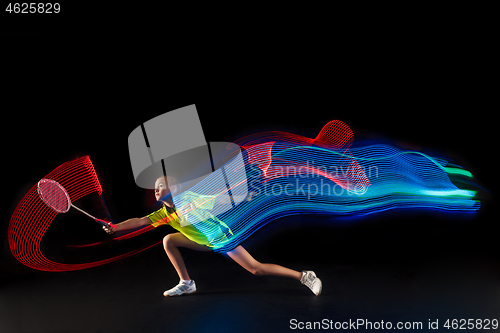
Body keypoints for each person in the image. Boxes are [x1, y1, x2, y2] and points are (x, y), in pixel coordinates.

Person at [102, 176, 322, 297]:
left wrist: (244, 196)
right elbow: (140, 221)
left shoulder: (189, 200)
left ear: (175, 188)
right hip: (201, 242)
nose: (156, 190)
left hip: (219, 238)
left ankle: (304, 276)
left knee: (256, 268)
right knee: (168, 240)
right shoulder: (163, 213)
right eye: (155, 187)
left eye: (161, 186)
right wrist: (115, 227)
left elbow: (220, 200)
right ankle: (187, 283)